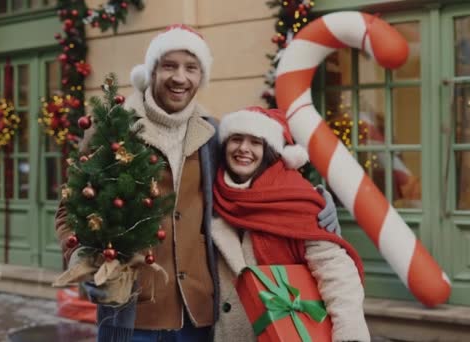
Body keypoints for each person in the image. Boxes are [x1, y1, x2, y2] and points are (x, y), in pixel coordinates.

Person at [55, 24, 339, 341]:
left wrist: (315, 202)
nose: (180, 77)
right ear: (152, 71)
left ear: (201, 76)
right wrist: (87, 262)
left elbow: (265, 183)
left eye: (191, 68)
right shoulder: (112, 130)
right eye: (169, 66)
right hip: (132, 314)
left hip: (199, 314)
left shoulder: (214, 135)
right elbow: (71, 210)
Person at [212, 106, 371, 342]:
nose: (244, 148)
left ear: (269, 150)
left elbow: (335, 271)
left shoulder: (296, 198)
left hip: (282, 333)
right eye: (236, 139)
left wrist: (349, 336)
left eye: (255, 142)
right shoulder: (211, 194)